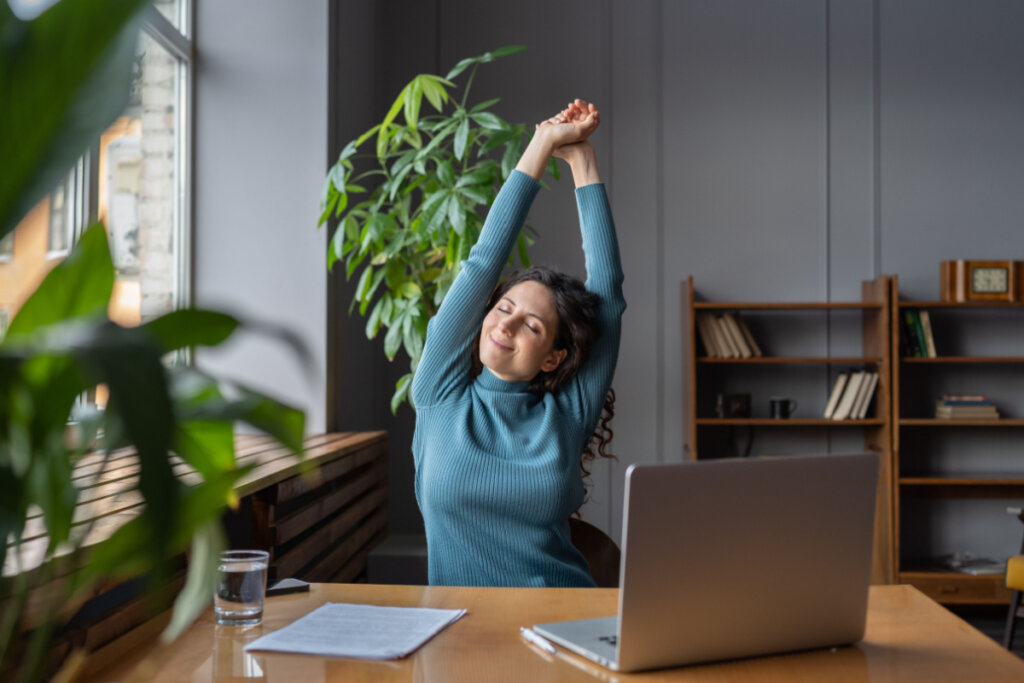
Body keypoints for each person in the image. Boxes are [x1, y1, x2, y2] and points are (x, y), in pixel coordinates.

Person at [410, 99, 626, 587]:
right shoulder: (439, 394)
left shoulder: (567, 415)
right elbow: (483, 263)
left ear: (553, 357)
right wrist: (542, 142)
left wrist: (582, 161)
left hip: (563, 620)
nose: (505, 326)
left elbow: (608, 294)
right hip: (459, 631)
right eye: (503, 309)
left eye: (532, 326)